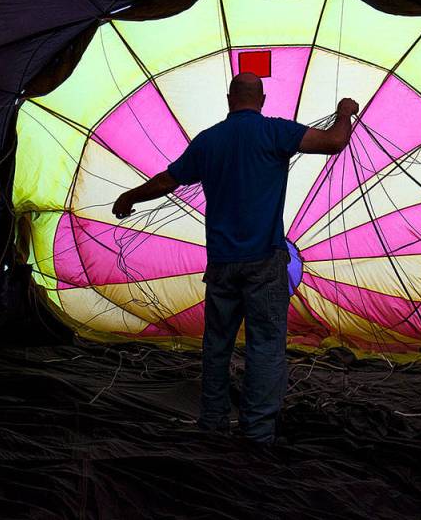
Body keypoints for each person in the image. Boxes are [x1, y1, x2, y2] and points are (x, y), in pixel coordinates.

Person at [112, 72, 358, 444]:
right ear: (262, 99)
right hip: (264, 261)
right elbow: (335, 142)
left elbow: (167, 180)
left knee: (217, 346)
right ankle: (258, 432)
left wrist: (129, 196)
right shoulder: (276, 131)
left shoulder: (209, 141)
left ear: (229, 98)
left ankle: (211, 423)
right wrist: (344, 112)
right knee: (265, 346)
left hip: (223, 265)